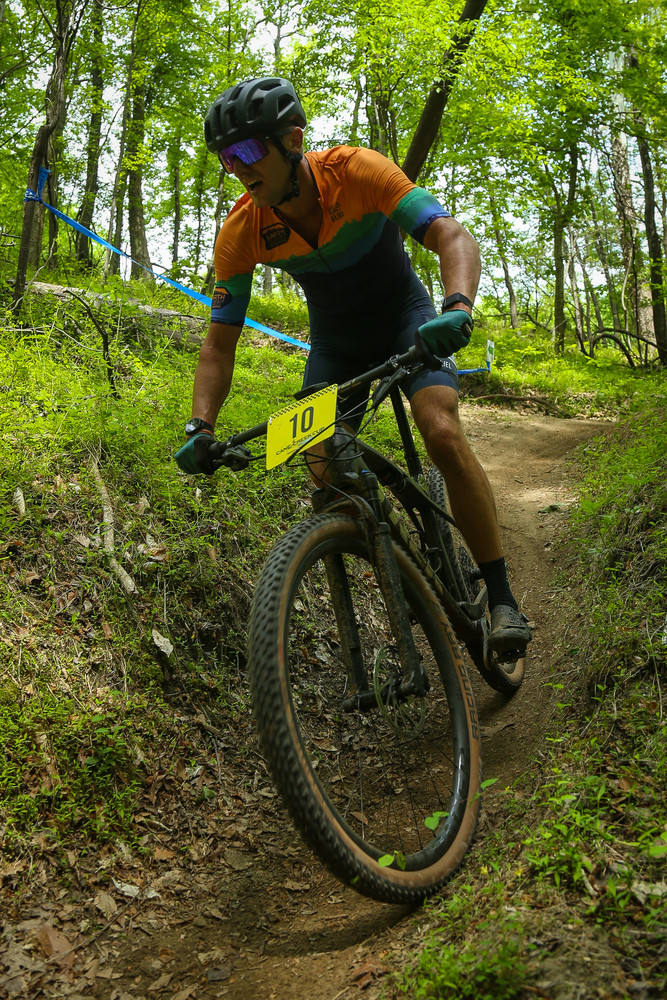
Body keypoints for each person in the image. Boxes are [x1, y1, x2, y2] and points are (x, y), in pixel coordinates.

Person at [175, 77, 531, 658]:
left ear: (292, 141)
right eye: (226, 158)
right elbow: (218, 344)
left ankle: (501, 598)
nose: (237, 168)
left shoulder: (358, 171)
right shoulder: (242, 230)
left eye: (247, 150)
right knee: (321, 463)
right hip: (337, 344)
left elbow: (451, 236)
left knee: (440, 430)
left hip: (406, 319)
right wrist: (201, 425)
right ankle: (390, 560)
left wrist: (457, 308)